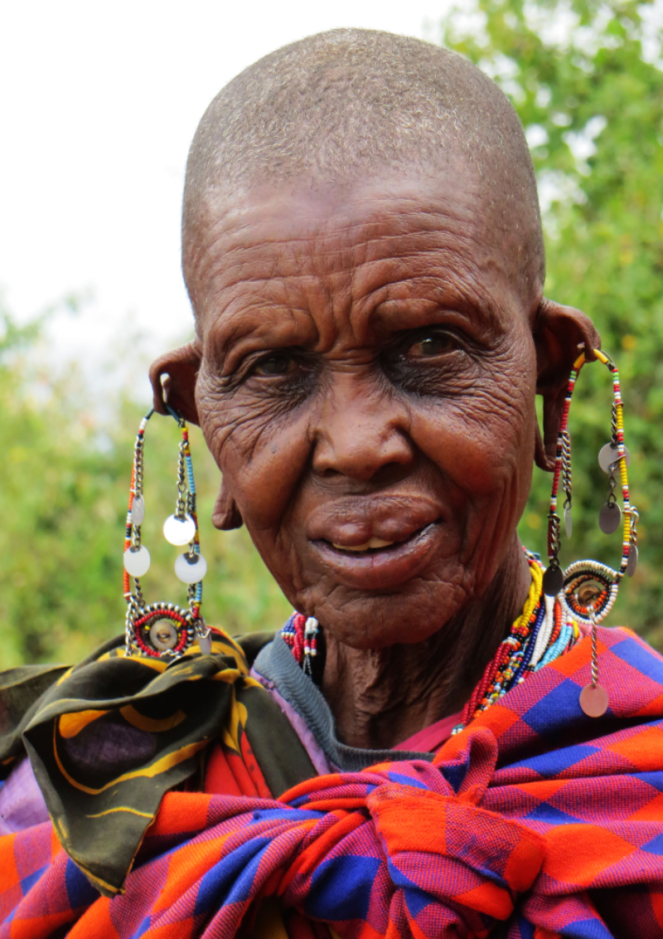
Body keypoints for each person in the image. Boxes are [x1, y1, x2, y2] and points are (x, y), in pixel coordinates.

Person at [1, 28, 662, 939]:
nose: (354, 445)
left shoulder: (637, 782)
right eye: (271, 367)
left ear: (549, 384)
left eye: (429, 345)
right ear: (206, 423)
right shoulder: (81, 802)